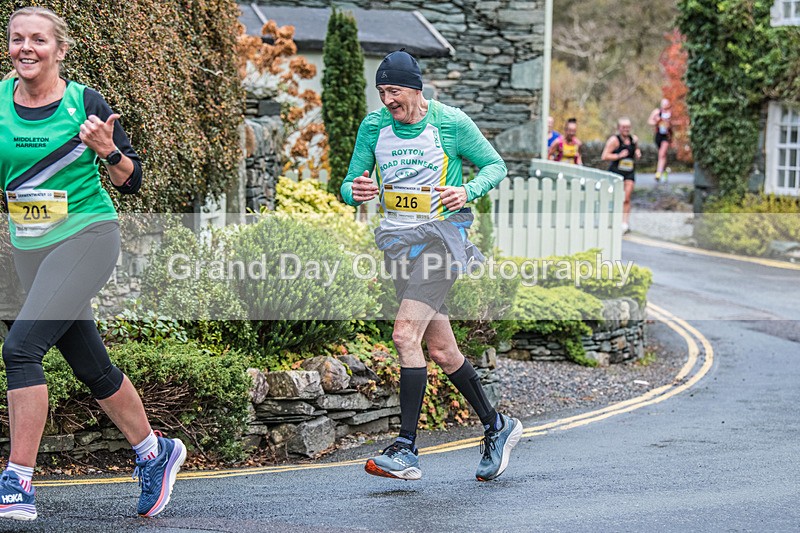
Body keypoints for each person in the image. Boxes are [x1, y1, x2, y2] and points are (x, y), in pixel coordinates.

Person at [0, 7, 185, 521]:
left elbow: (132, 180)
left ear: (59, 49)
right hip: (29, 247)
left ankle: (17, 480)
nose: (26, 48)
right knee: (90, 365)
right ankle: (154, 452)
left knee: (21, 348)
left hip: (87, 235)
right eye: (18, 39)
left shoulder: (84, 103)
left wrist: (108, 151)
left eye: (38, 39)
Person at [341, 50, 523, 482]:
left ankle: (406, 448)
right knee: (441, 350)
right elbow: (347, 183)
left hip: (443, 240)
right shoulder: (373, 128)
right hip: (399, 247)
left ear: (416, 89)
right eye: (382, 91)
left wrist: (470, 190)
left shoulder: (450, 123)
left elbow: (496, 165)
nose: (387, 100)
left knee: (405, 334)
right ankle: (497, 426)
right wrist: (357, 190)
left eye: (395, 91)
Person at [602, 118, 641, 234]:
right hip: (616, 172)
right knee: (615, 198)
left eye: (628, 127)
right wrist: (618, 155)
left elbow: (636, 150)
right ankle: (612, 220)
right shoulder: (614, 140)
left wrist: (638, 153)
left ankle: (624, 223)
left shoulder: (633, 139)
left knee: (627, 197)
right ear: (619, 128)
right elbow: (604, 156)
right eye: (624, 127)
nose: (626, 129)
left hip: (629, 171)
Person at [648, 98, 672, 182]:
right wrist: (656, 121)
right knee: (662, 155)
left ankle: (658, 173)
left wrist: (670, 123)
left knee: (662, 154)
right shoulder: (657, 112)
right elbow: (650, 121)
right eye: (663, 103)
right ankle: (665, 170)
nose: (665, 105)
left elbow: (677, 122)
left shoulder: (671, 113)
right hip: (659, 135)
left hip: (667, 136)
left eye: (666, 103)